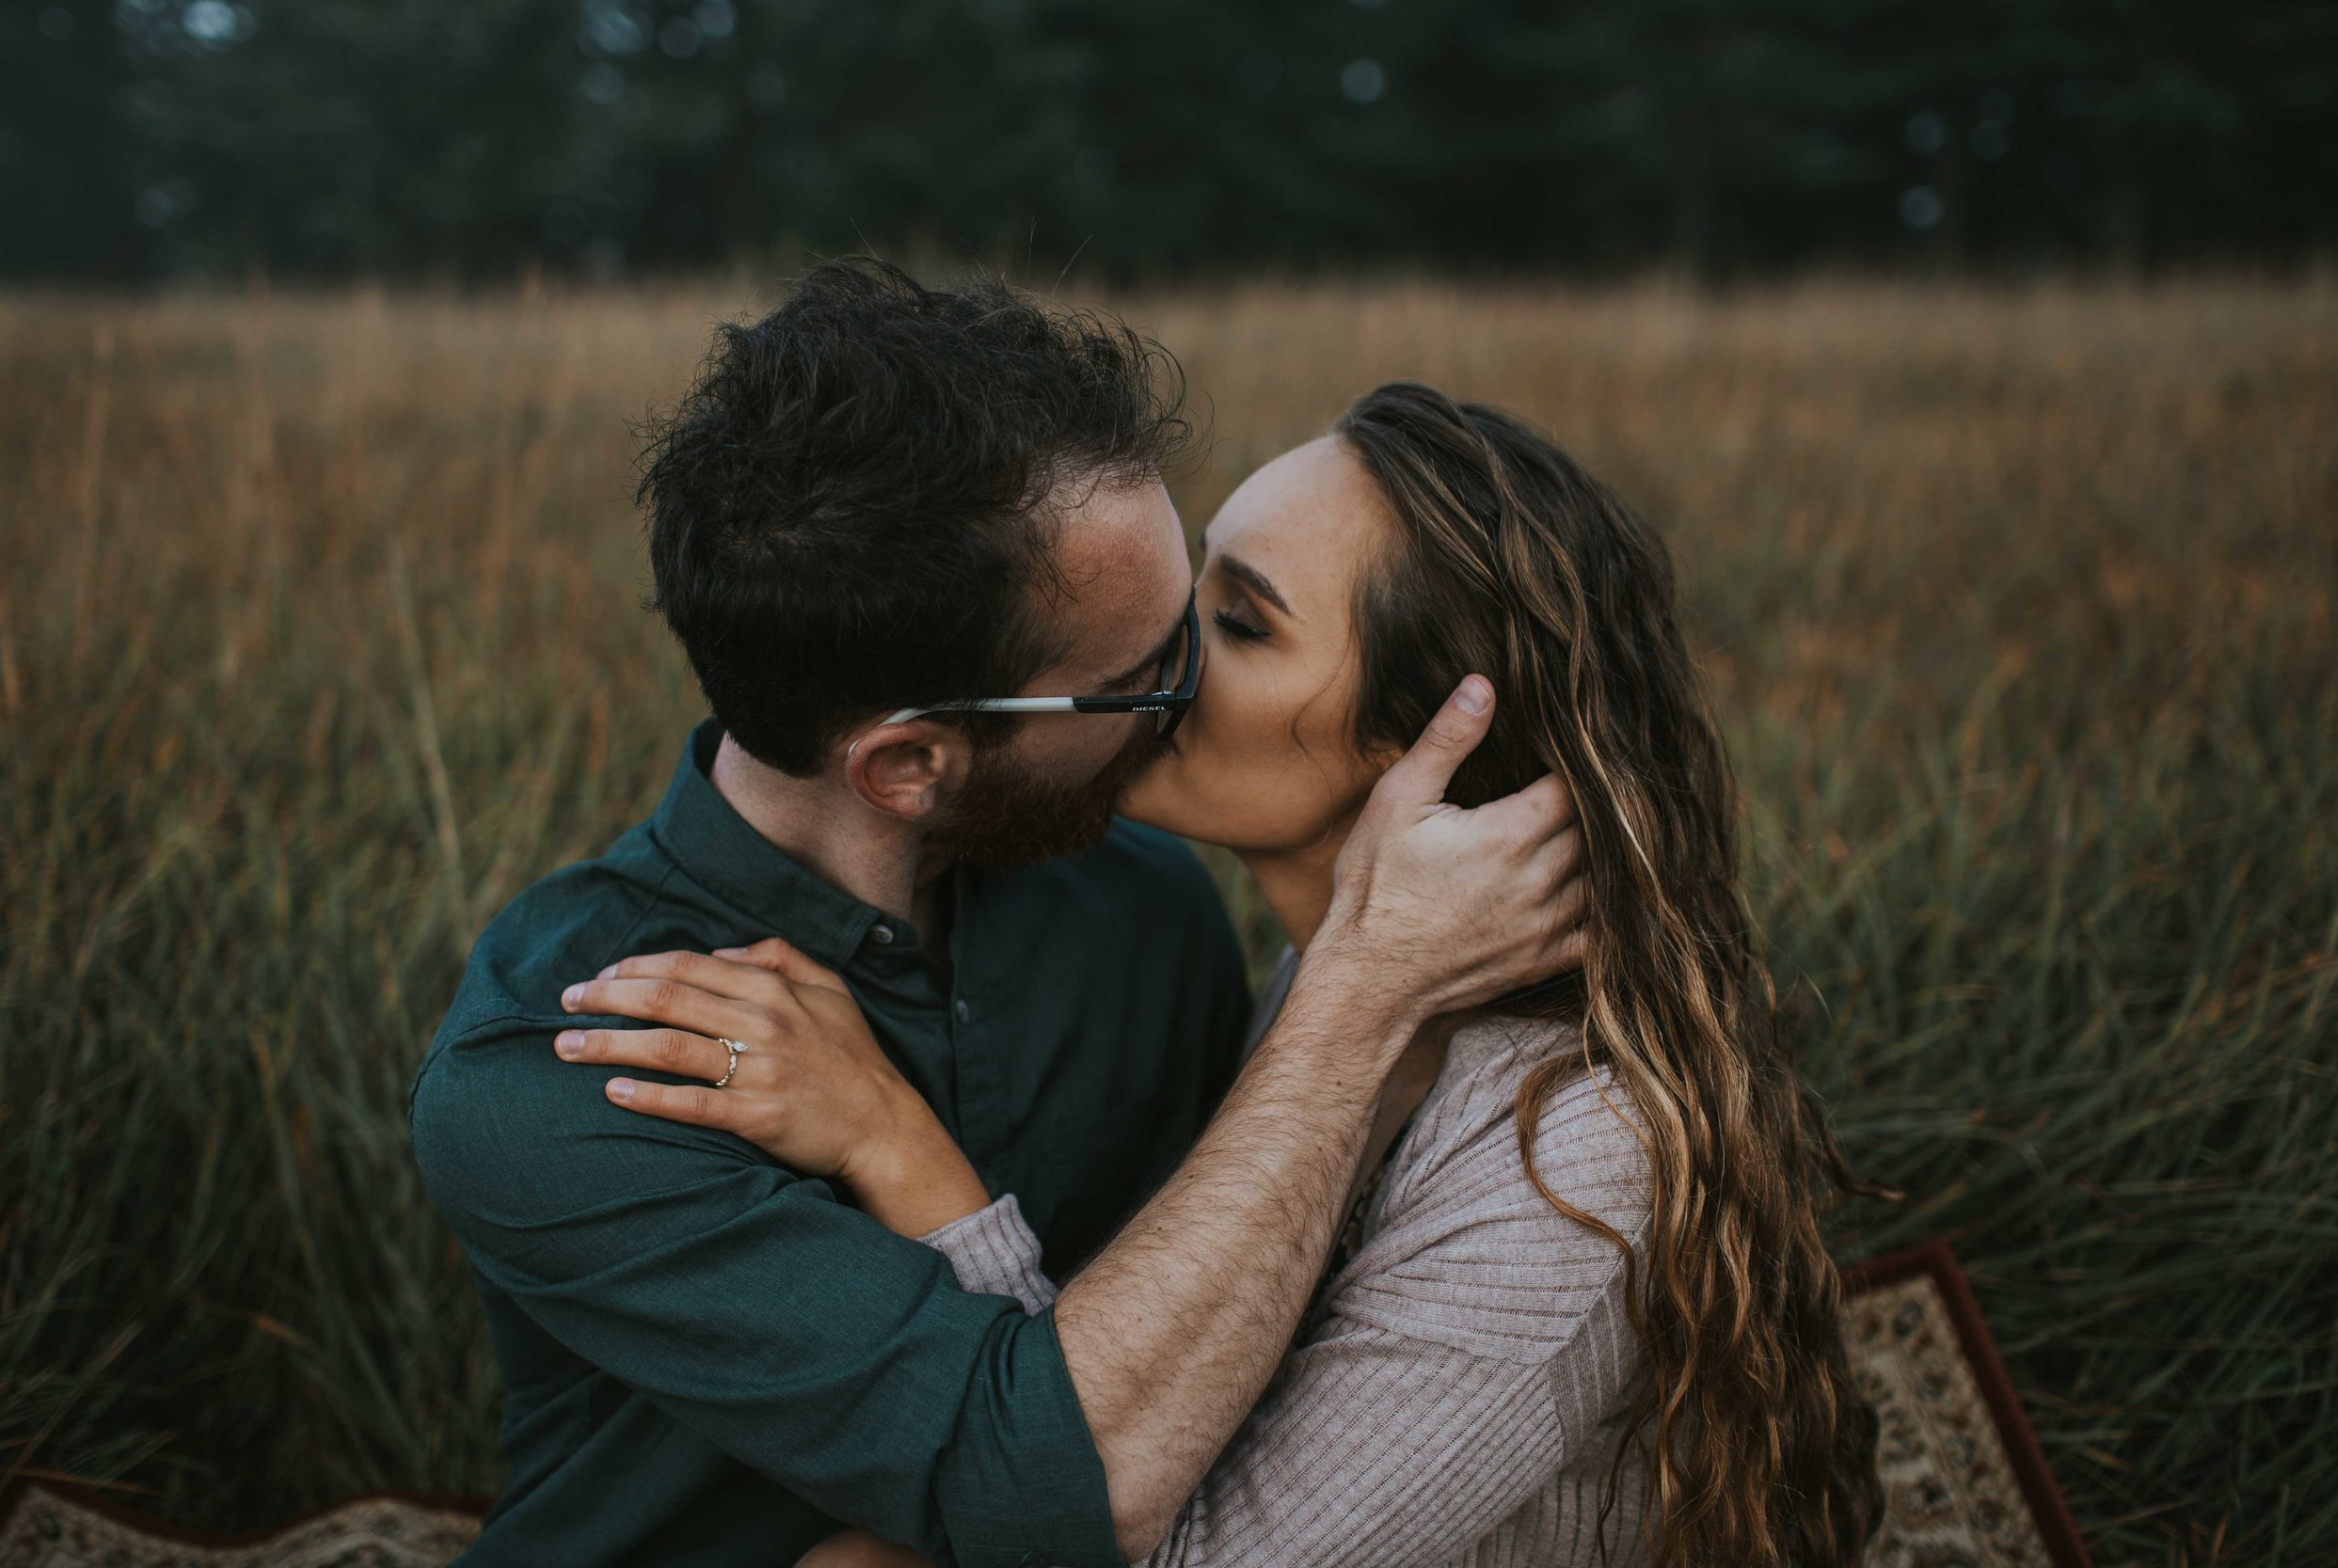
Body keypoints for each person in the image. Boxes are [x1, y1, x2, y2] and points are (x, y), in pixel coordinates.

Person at [555, 383, 1898, 1567]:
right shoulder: (1328, 980)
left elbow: (1109, 1537)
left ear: (1416, 748)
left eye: (1241, 624)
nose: (1157, 649)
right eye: (1195, 579)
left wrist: (895, 1147)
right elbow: (1181, 1391)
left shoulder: (1572, 1166)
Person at [409, 261, 1588, 1568]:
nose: (1189, 692)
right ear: (911, 764)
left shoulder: (1147, 908)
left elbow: (1222, 1355)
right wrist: (1360, 993)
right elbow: (1045, 1484)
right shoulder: (568, 1066)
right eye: (1145, 678)